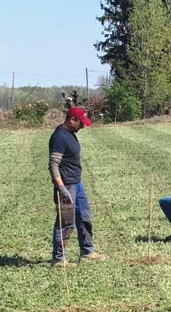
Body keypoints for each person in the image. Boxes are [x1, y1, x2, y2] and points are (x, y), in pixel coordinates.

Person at [48, 107, 106, 266]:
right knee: (66, 222)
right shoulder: (59, 137)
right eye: (81, 123)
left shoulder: (70, 134)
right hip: (66, 185)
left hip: (77, 183)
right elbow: (53, 165)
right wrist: (61, 188)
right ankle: (59, 259)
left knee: (84, 217)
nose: (83, 126)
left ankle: (87, 251)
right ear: (72, 119)